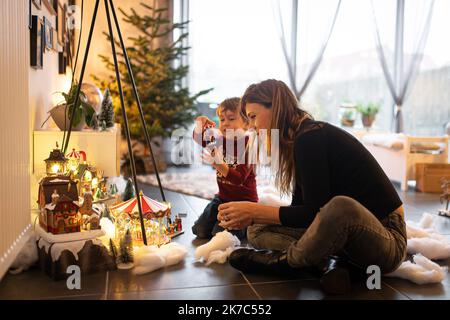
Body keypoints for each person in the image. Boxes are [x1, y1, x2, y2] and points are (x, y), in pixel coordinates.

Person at [217, 80, 407, 294]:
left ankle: (284, 263)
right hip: (346, 240)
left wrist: (254, 210)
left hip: (386, 240)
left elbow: (313, 212)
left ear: (276, 108)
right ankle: (325, 264)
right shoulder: (301, 137)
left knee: (340, 206)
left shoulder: (311, 137)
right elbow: (303, 211)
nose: (250, 126)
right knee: (257, 227)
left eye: (253, 116)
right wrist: (254, 216)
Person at [191, 97, 258, 240]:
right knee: (200, 230)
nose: (225, 124)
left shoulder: (249, 146)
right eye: (222, 120)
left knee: (220, 236)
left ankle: (249, 222)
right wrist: (199, 123)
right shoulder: (221, 140)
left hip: (243, 203)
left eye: (231, 119)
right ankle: (222, 221)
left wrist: (218, 164)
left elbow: (238, 179)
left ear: (246, 123)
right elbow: (199, 139)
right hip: (222, 198)